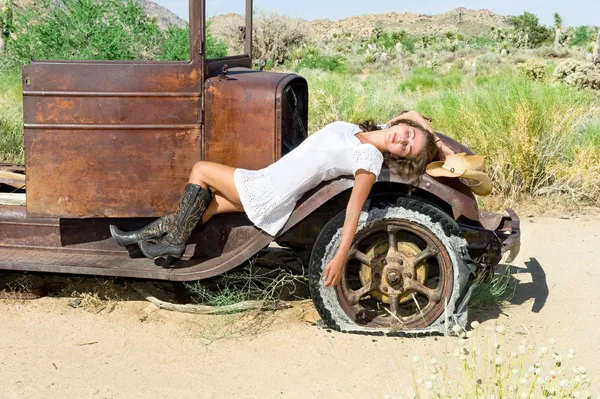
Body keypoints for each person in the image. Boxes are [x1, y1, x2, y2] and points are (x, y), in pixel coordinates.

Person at [110, 110, 445, 287]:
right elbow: (413, 114)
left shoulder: (369, 159)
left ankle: (172, 245)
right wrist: (436, 143)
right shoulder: (378, 129)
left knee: (200, 170)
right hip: (268, 182)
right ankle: (140, 239)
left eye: (406, 148)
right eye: (408, 134)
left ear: (399, 158)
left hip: (270, 191)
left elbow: (354, 212)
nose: (403, 139)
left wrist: (341, 255)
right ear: (401, 124)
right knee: (206, 208)